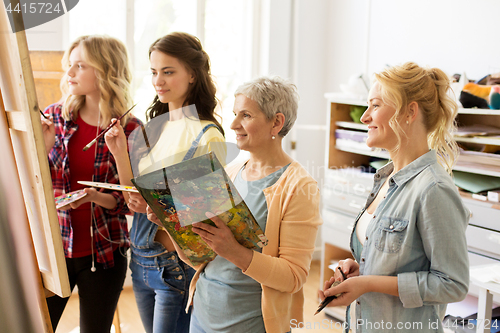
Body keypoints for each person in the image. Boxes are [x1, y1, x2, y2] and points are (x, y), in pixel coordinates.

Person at [147, 76, 322, 333]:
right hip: (202, 316)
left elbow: (294, 278)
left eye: (246, 115)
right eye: (234, 114)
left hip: (251, 324)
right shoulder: (228, 172)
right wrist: (172, 224)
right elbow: (200, 258)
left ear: (277, 122)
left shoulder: (300, 186)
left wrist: (233, 250)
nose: (233, 124)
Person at [319, 62, 469, 333]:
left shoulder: (434, 189)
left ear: (410, 112)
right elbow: (391, 261)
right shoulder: (385, 178)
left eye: (375, 105)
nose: (364, 117)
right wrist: (359, 271)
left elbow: (453, 284)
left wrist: (368, 284)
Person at [104, 32, 225, 333]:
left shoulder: (207, 134)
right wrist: (119, 152)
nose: (159, 80)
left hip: (174, 265)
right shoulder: (154, 130)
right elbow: (134, 194)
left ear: (193, 75)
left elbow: (207, 214)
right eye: (154, 72)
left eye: (168, 72)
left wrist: (159, 208)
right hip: (140, 260)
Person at [40, 35, 143, 333]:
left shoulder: (131, 128)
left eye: (80, 65)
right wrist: (44, 148)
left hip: (105, 252)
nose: (69, 73)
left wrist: (95, 196)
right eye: (69, 65)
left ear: (106, 70)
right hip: (54, 250)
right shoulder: (55, 118)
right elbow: (33, 188)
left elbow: (130, 202)